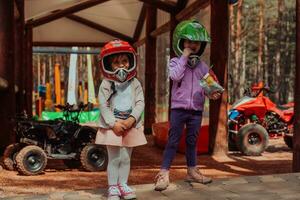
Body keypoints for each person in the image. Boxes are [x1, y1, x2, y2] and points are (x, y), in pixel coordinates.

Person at [154, 19, 222, 191]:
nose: (192, 45)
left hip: (196, 111)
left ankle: (192, 171)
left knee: (192, 141)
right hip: (178, 109)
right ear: (181, 42)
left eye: (196, 43)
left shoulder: (202, 66)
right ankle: (163, 173)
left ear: (201, 45)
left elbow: (207, 86)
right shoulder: (175, 62)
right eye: (189, 41)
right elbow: (175, 77)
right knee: (173, 141)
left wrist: (212, 92)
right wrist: (184, 56)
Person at [95, 39, 147, 200]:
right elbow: (103, 105)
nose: (121, 65)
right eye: (116, 63)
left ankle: (123, 184)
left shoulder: (135, 82)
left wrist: (132, 119)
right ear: (108, 65)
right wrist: (113, 123)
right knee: (114, 157)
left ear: (131, 61)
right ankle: (112, 187)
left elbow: (140, 102)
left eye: (124, 61)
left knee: (125, 157)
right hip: (113, 126)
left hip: (130, 125)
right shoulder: (106, 84)